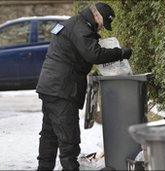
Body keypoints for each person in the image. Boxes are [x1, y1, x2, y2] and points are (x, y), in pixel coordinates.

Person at [36, 2, 133, 170]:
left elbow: (79, 56)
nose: (102, 28)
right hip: (62, 89)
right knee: (69, 138)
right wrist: (121, 53)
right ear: (98, 17)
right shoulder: (80, 28)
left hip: (51, 86)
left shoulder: (74, 23)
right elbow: (93, 54)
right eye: (103, 24)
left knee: (50, 134)